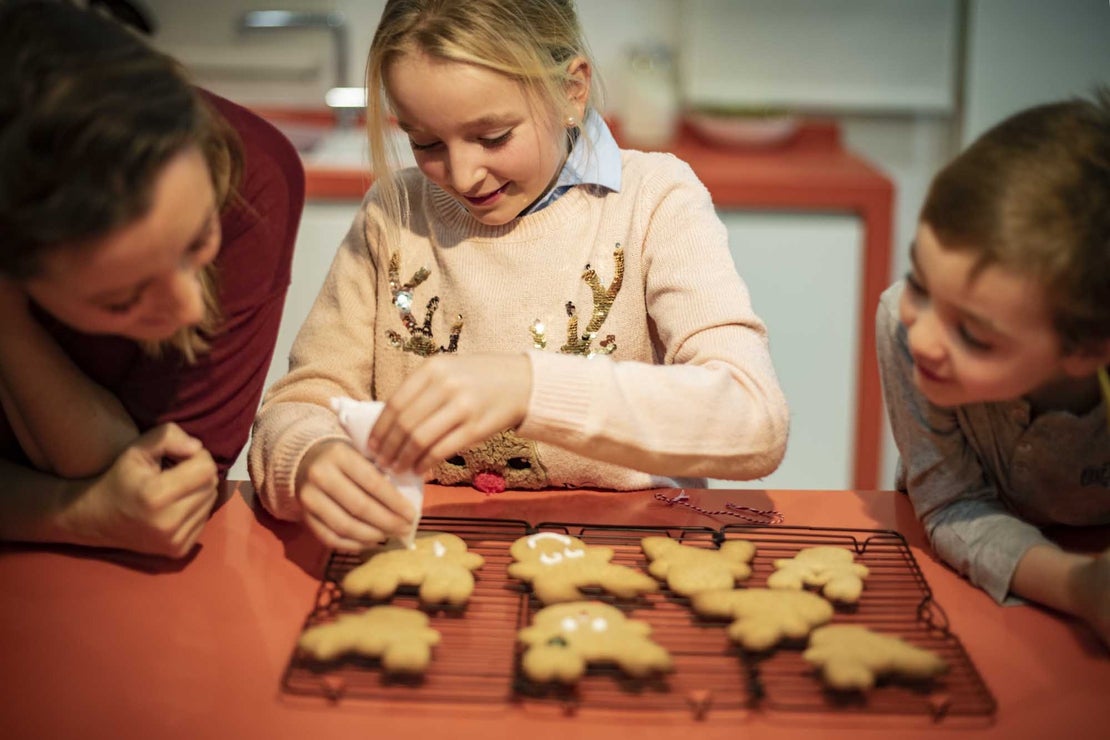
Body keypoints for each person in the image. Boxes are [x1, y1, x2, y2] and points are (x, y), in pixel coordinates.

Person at [248, 0, 789, 552]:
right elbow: (300, 404)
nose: (462, 175)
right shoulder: (393, 215)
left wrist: (528, 387)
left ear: (571, 91)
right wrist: (310, 458)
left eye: (493, 136)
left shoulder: (655, 200)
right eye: (426, 143)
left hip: (631, 559)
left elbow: (753, 419)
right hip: (434, 554)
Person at [0, 0, 305, 558]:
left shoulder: (252, 176)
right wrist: (79, 515)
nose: (190, 308)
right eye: (121, 299)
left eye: (198, 241)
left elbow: (161, 481)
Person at [877, 90, 1110, 647]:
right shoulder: (902, 329)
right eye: (919, 283)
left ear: (1086, 350)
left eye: (974, 336)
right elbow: (953, 503)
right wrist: (1082, 589)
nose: (923, 335)